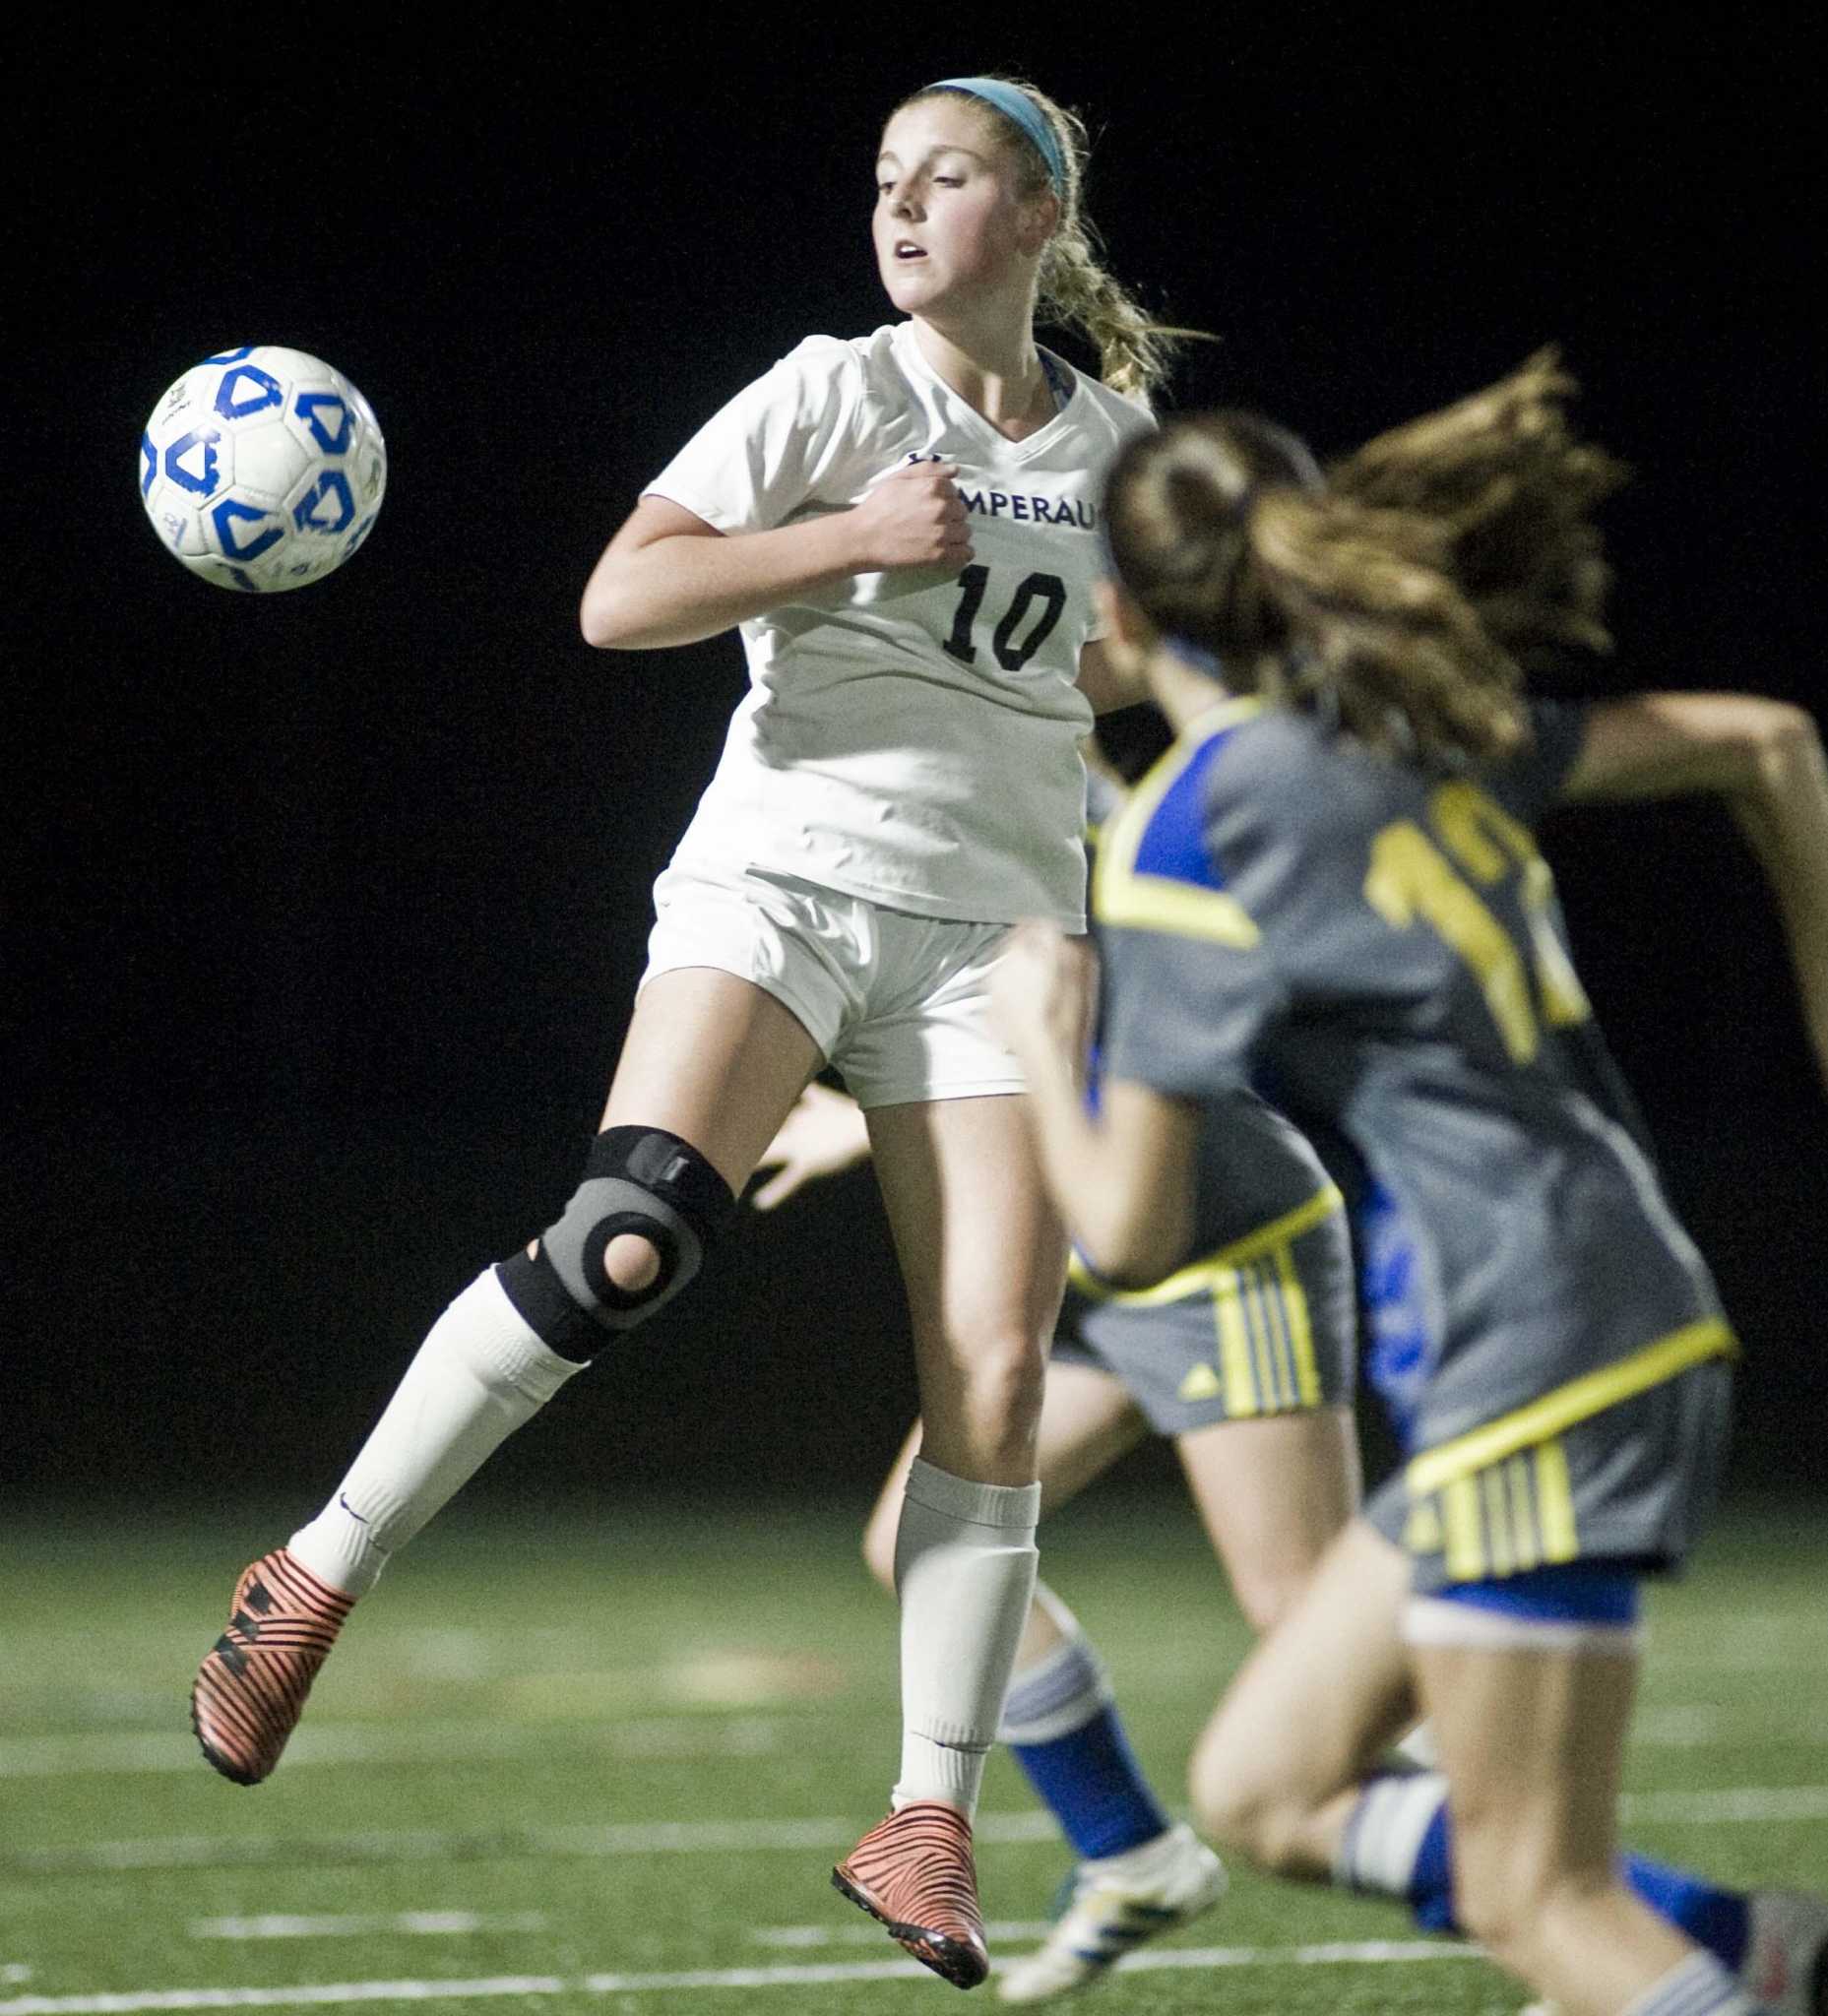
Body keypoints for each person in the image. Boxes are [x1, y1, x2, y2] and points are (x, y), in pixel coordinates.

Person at [188, 74, 1169, 1991]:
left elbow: (1106, 664)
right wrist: (851, 543)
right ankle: (315, 1567)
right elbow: (620, 595)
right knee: (625, 1237)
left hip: (997, 939)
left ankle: (927, 1817)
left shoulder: (1123, 447)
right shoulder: (830, 393)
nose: (898, 208)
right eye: (882, 178)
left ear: (1038, 217)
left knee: (992, 1372)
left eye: (945, 178)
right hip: (785, 884)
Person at [987, 355, 1828, 2015]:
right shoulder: (1403, 725)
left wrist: (1032, 1034)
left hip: (1534, 1350)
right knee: (1262, 1789)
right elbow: (1770, 741)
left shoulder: (1188, 838)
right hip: (1603, 1318)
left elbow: (1132, 1232)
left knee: (1535, 1898)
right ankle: (1762, 1955)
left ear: (1125, 612)